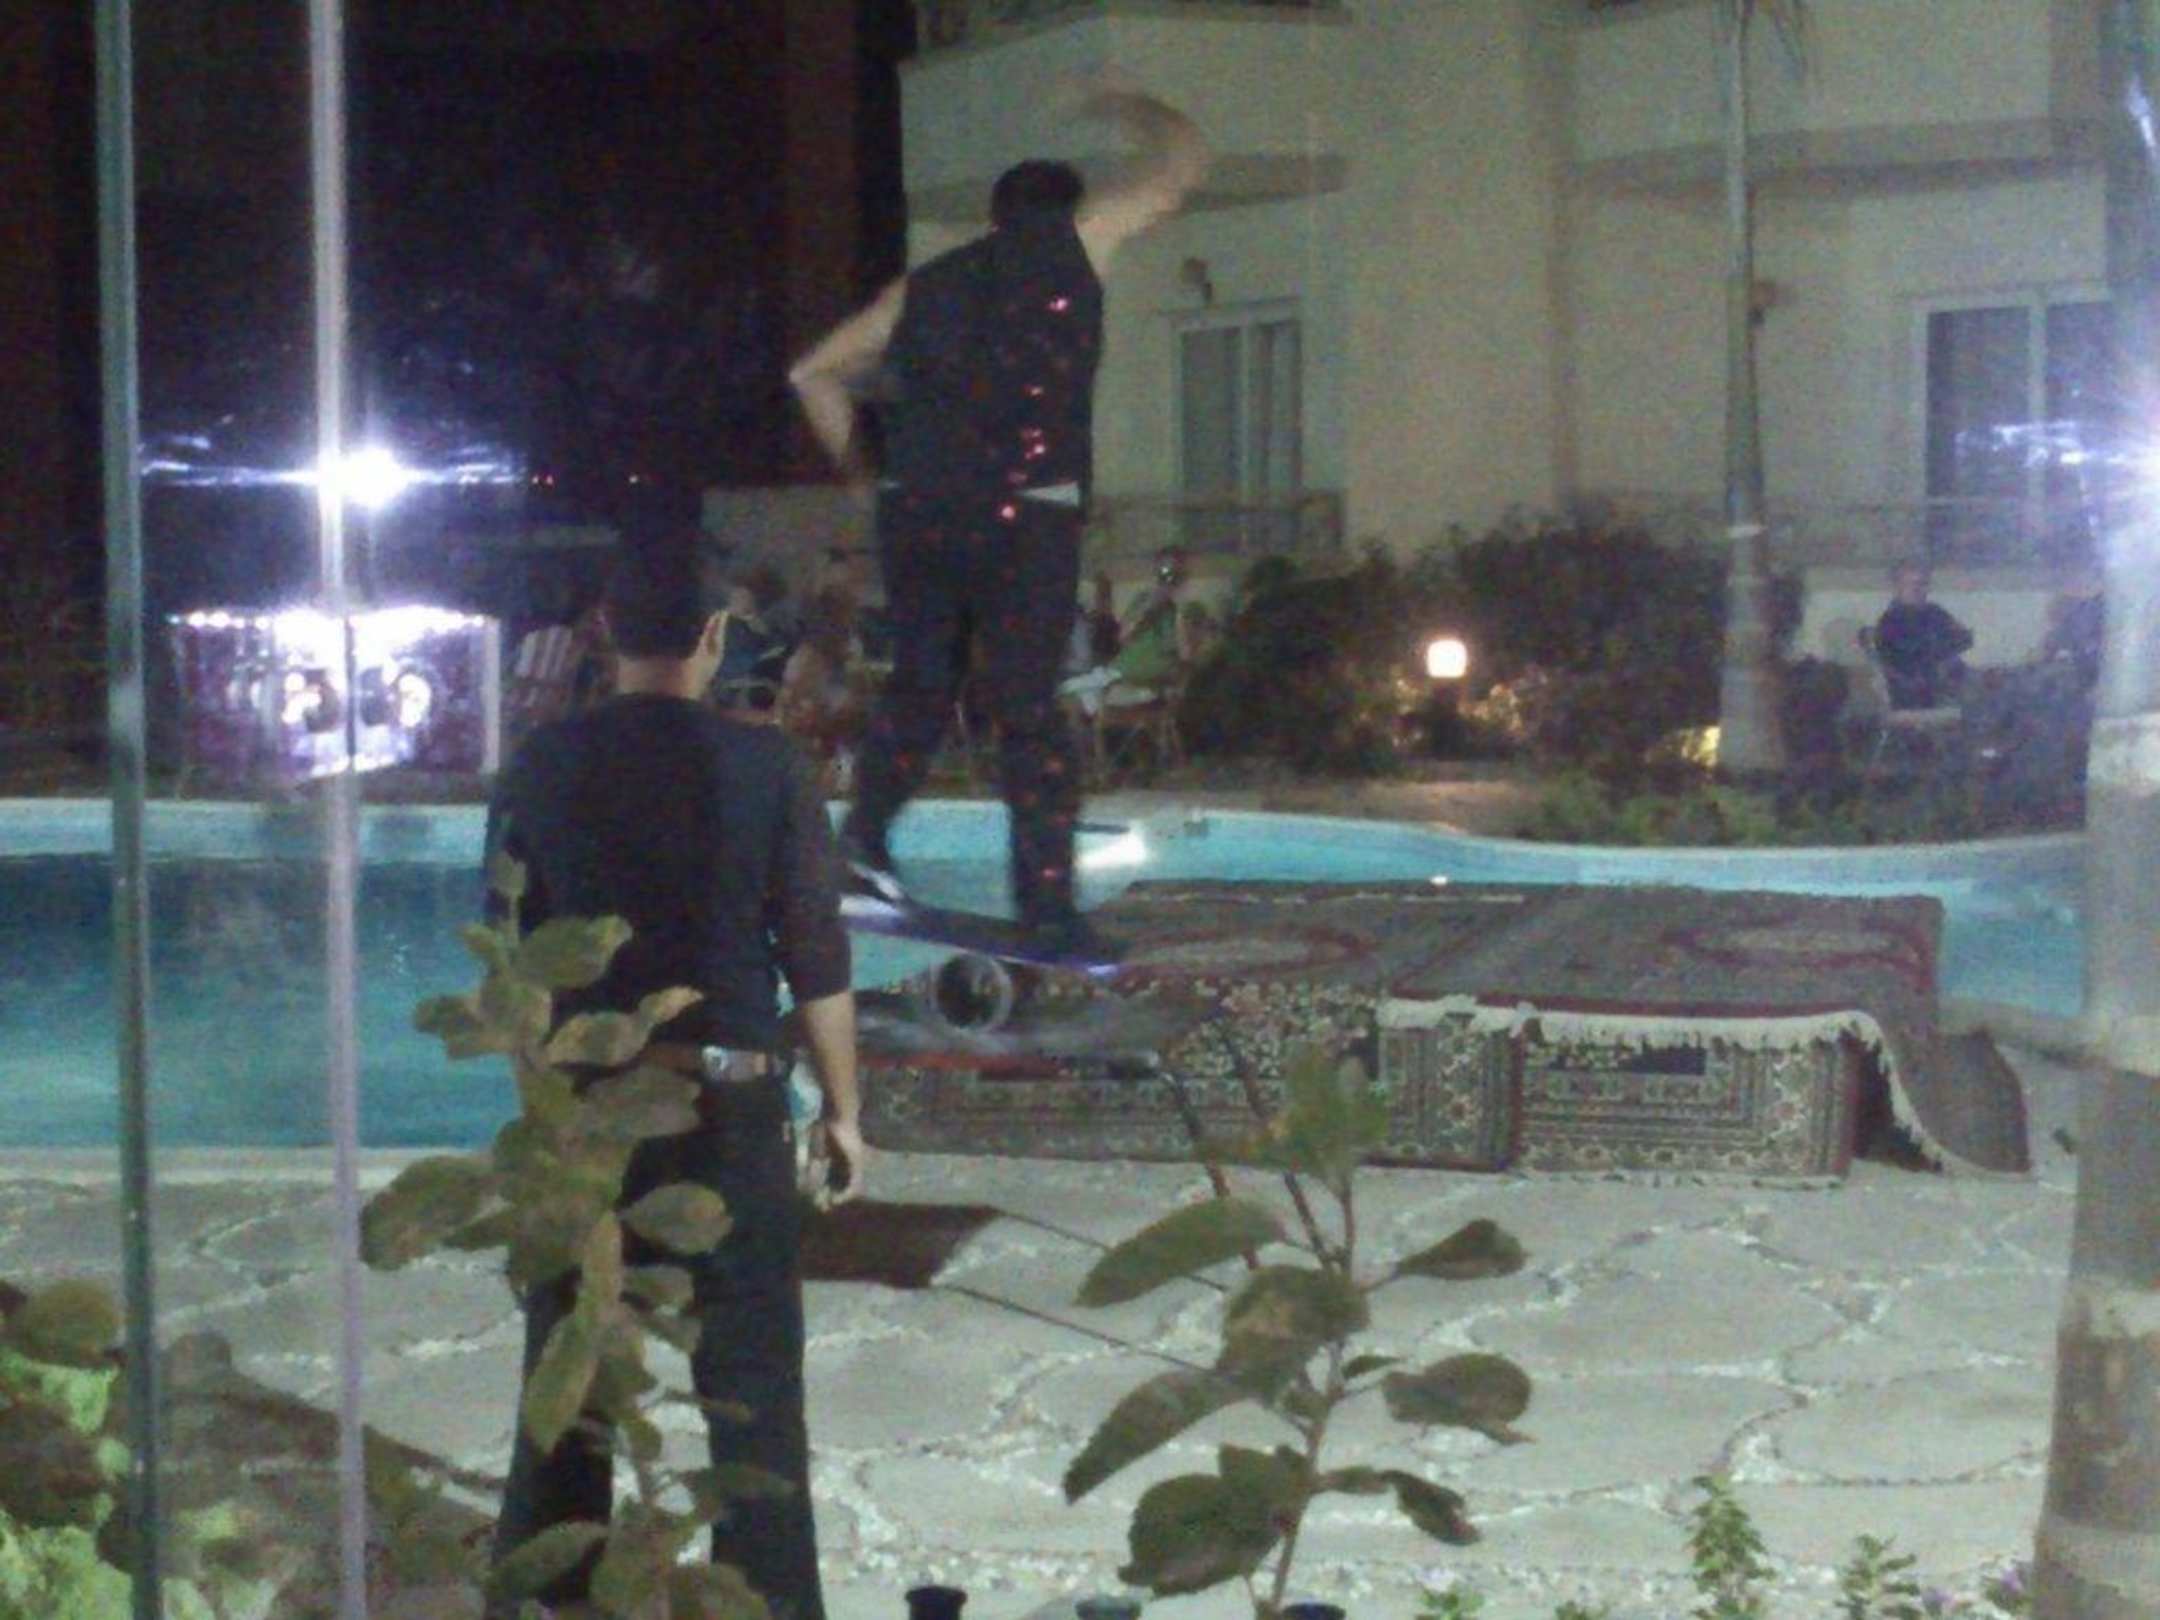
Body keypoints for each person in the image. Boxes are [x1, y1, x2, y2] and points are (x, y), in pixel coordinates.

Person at [485, 536, 863, 1620]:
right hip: (727, 1101)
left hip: (588, 1107)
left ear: (605, 631)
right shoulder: (766, 766)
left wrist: (543, 1111)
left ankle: (551, 1601)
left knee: (568, 1382)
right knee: (754, 1399)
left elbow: (510, 958)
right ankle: (768, 1605)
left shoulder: (540, 765)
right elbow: (815, 953)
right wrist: (844, 1114)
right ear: (714, 636)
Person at [787, 76, 1208, 960]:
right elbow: (1178, 171)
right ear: (1066, 211)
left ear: (992, 216)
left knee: (921, 684)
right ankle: (1046, 907)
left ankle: (860, 847)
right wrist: (1128, 106)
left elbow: (812, 375)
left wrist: (866, 478)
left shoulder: (923, 287)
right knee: (1027, 707)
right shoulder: (1074, 242)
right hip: (1027, 515)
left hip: (918, 511)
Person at [1872, 562, 1973, 709]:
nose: (1917, 589)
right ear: (1897, 587)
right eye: (1909, 584)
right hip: (1907, 689)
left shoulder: (1936, 612)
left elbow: (1964, 639)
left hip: (1943, 685)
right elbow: (1890, 661)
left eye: (1922, 583)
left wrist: (1945, 659)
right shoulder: (1889, 620)